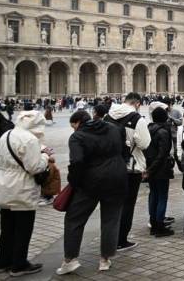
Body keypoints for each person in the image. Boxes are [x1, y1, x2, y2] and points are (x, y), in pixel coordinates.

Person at [56, 110, 126, 275]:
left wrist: (74, 182)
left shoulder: (77, 137)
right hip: (117, 178)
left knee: (74, 219)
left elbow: (77, 162)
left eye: (74, 126)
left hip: (90, 182)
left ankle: (70, 259)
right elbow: (123, 150)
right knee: (111, 220)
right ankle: (105, 259)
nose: (74, 130)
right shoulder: (113, 128)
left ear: (78, 122)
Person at [0, 110, 49, 277]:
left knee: (7, 227)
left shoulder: (7, 134)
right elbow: (34, 167)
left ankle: (2, 262)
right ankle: (19, 265)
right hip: (21, 187)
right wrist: (45, 156)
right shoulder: (30, 139)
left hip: (3, 185)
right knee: (23, 228)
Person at [105, 92, 151, 251]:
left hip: (109, 165)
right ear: (138, 103)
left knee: (112, 204)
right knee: (127, 204)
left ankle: (108, 239)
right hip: (130, 167)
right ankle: (121, 240)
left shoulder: (108, 116)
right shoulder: (137, 119)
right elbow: (144, 144)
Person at [146, 106, 175, 237]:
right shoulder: (163, 132)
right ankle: (159, 225)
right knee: (162, 196)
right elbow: (163, 153)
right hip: (160, 168)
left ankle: (153, 222)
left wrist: (149, 169)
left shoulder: (148, 129)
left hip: (151, 167)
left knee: (153, 195)